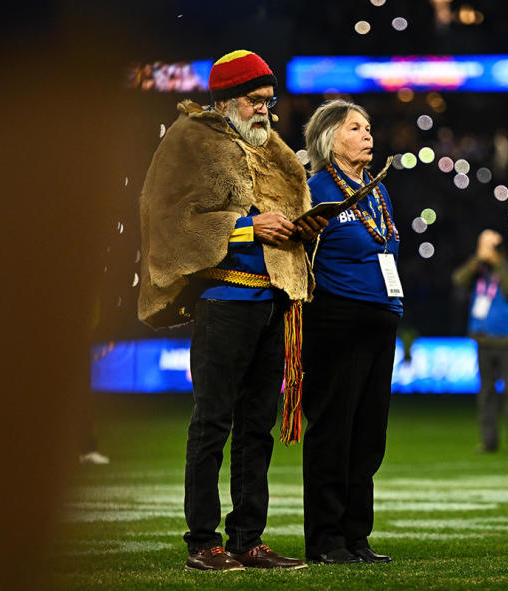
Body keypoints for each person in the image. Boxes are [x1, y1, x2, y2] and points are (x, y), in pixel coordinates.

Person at [137, 49, 327, 572]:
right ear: (225, 101)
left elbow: (284, 207)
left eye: (269, 100)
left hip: (271, 300)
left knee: (256, 427)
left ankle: (247, 540)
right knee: (213, 423)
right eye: (255, 100)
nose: (266, 109)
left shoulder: (266, 146)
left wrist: (302, 224)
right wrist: (249, 227)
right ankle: (203, 542)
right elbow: (170, 219)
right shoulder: (189, 140)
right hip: (224, 301)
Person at [300, 99, 402, 565]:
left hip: (381, 322)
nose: (368, 134)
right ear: (329, 138)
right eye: (355, 127)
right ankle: (325, 540)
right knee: (333, 432)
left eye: (368, 126)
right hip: (335, 322)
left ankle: (357, 536)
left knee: (368, 436)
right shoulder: (314, 189)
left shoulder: (377, 190)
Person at [451, 229, 508, 453]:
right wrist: (476, 260)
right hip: (483, 340)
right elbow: (458, 279)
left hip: (505, 340)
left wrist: (498, 262)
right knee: (486, 394)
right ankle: (489, 441)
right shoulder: (479, 272)